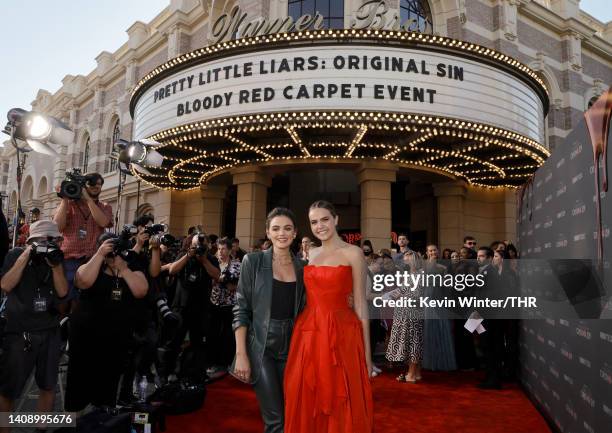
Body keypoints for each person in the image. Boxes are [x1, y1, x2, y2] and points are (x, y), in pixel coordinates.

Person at [284, 200, 373, 433]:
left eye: (324, 219)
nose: (320, 226)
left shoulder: (353, 253)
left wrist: (367, 354)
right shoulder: (310, 253)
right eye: (314, 222)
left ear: (336, 220)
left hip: (342, 332)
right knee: (309, 392)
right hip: (309, 332)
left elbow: (361, 304)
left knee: (340, 394)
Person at [232, 208, 307, 433]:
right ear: (267, 232)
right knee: (276, 420)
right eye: (275, 228)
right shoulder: (252, 261)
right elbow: (241, 309)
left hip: (293, 347)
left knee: (292, 414)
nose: (281, 233)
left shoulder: (304, 268)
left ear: (295, 233)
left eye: (287, 228)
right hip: (261, 347)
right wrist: (241, 354)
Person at [64, 232, 148, 411]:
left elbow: (141, 291)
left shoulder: (131, 266)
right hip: (86, 335)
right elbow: (82, 282)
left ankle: (101, 417)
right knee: (80, 380)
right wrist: (100, 255)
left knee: (108, 380)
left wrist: (123, 269)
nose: (113, 253)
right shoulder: (92, 263)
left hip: (115, 337)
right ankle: (74, 419)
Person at [0, 221, 68, 431]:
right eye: (46, 240)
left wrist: (56, 266)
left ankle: (41, 428)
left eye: (55, 240)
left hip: (49, 329)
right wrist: (27, 254)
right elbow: (6, 285)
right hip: (20, 332)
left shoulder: (55, 259)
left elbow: (63, 292)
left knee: (48, 386)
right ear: (32, 241)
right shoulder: (16, 255)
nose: (51, 244)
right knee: (9, 390)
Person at [161, 232, 220, 382]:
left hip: (201, 308)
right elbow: (172, 270)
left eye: (201, 245)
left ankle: (195, 372)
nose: (198, 247)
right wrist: (188, 256)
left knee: (198, 343)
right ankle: (166, 373)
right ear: (190, 244)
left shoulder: (211, 259)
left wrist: (204, 260)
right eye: (195, 245)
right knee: (174, 341)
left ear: (207, 246)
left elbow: (217, 276)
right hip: (180, 306)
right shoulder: (183, 255)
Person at [53, 172, 113, 300]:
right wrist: (65, 198)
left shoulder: (105, 207)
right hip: (69, 259)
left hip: (93, 260)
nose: (96, 186)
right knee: (64, 298)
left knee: (87, 299)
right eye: (91, 183)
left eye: (99, 184)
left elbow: (103, 222)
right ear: (83, 185)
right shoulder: (69, 205)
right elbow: (57, 227)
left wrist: (88, 200)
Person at [386, 250, 424, 383]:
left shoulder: (419, 275)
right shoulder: (411, 274)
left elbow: (417, 296)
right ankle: (416, 373)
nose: (404, 260)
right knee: (413, 342)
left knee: (413, 342)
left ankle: (411, 375)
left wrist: (400, 296)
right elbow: (404, 290)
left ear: (413, 259)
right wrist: (394, 293)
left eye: (407, 258)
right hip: (405, 312)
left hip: (411, 313)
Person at [207, 237, 240, 378]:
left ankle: (227, 363)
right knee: (213, 334)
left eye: (223, 249)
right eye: (219, 249)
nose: (220, 252)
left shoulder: (236, 265)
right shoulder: (214, 263)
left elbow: (231, 285)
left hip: (229, 305)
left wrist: (219, 279)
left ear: (229, 249)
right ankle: (213, 362)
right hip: (213, 304)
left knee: (227, 335)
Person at [422, 244, 457, 371]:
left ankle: (440, 361)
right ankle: (429, 361)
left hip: (439, 299)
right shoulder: (422, 266)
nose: (432, 252)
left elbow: (447, 287)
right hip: (426, 299)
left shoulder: (443, 267)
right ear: (427, 252)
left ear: (438, 252)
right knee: (428, 328)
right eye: (430, 250)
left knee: (441, 328)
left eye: (434, 250)